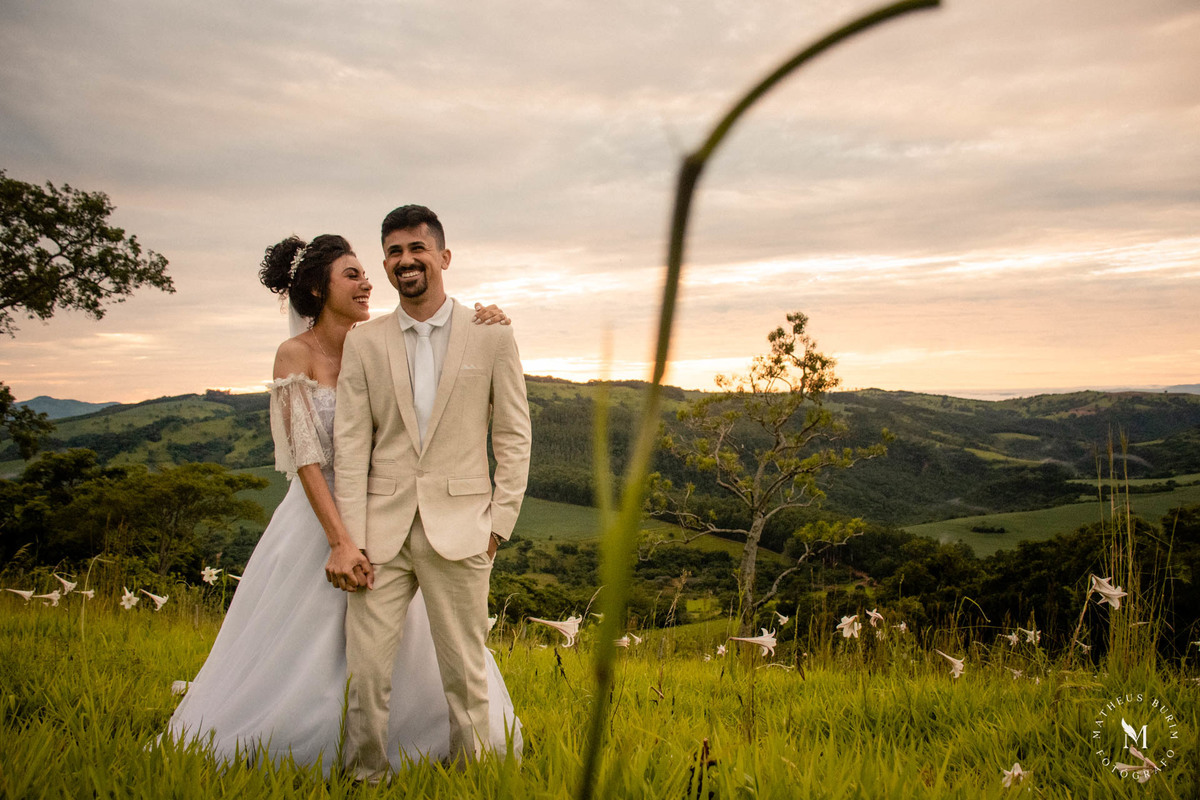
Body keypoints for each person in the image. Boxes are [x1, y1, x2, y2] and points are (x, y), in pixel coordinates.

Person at [164, 233, 522, 773]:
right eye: (351, 275)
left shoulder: (377, 340)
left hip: (395, 513)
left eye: (363, 273)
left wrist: (484, 316)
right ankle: (320, 749)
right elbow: (308, 457)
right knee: (326, 649)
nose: (366, 283)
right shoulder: (296, 354)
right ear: (316, 288)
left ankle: (432, 747)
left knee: (421, 650)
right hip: (322, 516)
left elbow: (434, 355)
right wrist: (340, 538)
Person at [336, 205, 531, 780]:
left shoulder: (491, 333)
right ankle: (364, 777)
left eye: (417, 249)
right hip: (380, 533)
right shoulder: (364, 341)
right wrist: (349, 537)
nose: (406, 261)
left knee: (466, 673)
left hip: (464, 528)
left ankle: (475, 778)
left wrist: (498, 526)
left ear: (443, 258)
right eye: (394, 252)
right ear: (387, 264)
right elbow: (351, 446)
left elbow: (515, 435)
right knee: (367, 672)